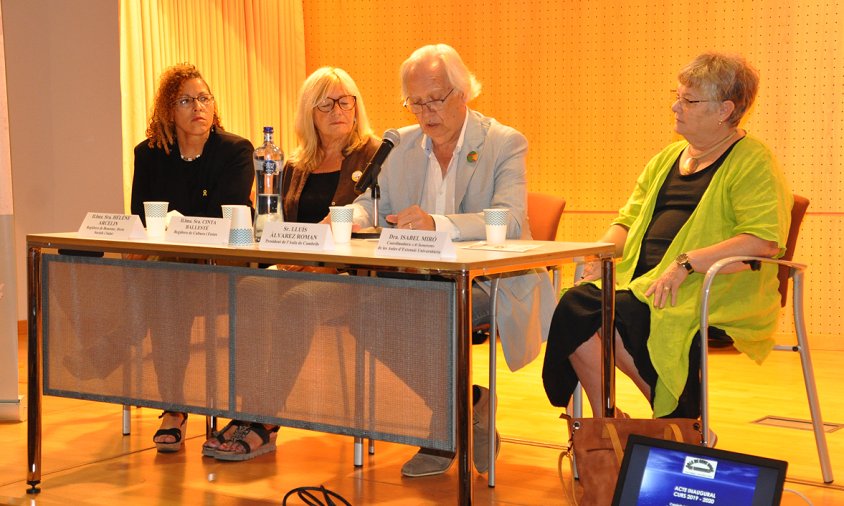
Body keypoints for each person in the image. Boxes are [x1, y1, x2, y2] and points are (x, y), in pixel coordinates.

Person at [542, 53, 792, 422]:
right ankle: (607, 421)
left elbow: (761, 241)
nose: (676, 106)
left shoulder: (753, 161)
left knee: (616, 313)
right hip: (641, 279)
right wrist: (598, 255)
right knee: (575, 303)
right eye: (677, 96)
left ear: (725, 109)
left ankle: (678, 420)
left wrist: (686, 263)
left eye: (689, 101)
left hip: (711, 284)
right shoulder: (666, 158)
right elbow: (626, 222)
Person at [350, 43, 555, 477]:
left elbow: (512, 220)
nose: (425, 112)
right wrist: (351, 216)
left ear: (463, 93)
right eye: (415, 102)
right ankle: (469, 407)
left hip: (490, 282)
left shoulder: (503, 142)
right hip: (417, 281)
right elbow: (372, 206)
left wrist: (438, 223)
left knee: (430, 313)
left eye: (436, 98)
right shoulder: (397, 146)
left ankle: (441, 435)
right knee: (361, 311)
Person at [204, 67, 380, 461]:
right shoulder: (296, 164)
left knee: (297, 301)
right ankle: (247, 410)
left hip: (348, 276)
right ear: (309, 113)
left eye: (345, 100)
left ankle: (264, 421)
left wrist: (319, 260)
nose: (338, 110)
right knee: (247, 288)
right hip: (297, 267)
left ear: (356, 105)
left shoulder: (373, 155)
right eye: (325, 103)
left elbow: (374, 219)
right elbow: (277, 221)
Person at [130, 63, 254, 453]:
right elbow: (140, 218)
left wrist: (175, 225)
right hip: (172, 272)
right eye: (185, 100)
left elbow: (225, 217)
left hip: (223, 269)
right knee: (165, 281)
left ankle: (164, 399)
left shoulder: (235, 150)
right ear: (169, 111)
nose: (198, 107)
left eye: (204, 98)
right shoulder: (149, 155)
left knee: (160, 280)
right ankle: (174, 405)